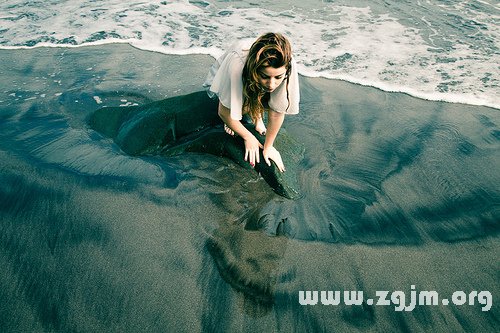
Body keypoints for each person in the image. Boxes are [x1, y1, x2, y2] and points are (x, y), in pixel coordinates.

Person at [203, 32, 300, 173]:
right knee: (237, 110)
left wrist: (268, 146)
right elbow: (223, 112)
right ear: (256, 69)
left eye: (278, 77)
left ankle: (257, 115)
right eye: (265, 76)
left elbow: (278, 112)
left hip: (255, 76)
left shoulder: (287, 65)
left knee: (271, 96)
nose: (272, 84)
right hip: (231, 71)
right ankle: (248, 113)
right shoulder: (237, 65)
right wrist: (248, 136)